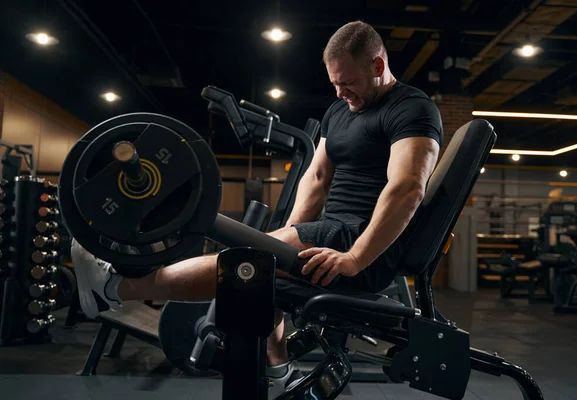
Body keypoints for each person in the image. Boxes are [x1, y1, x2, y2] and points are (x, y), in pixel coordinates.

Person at [70, 20, 442, 394]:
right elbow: (316, 179)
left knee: (243, 261)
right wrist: (285, 243)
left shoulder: (412, 108)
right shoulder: (338, 112)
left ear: (378, 67)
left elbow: (407, 188)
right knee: (260, 268)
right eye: (335, 83)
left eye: (349, 83)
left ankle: (116, 289)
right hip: (332, 234)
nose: (342, 92)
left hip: (357, 241)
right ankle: (280, 371)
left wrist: (356, 258)